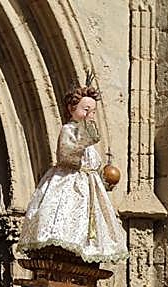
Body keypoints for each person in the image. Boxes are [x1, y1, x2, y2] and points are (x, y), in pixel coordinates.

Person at [18, 84, 128, 264]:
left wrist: (104, 179)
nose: (89, 114)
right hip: (69, 184)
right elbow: (66, 156)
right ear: (71, 108)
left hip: (89, 191)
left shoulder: (89, 140)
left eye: (93, 111)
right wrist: (84, 140)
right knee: (65, 224)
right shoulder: (68, 130)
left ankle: (81, 261)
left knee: (89, 231)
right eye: (86, 109)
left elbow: (91, 164)